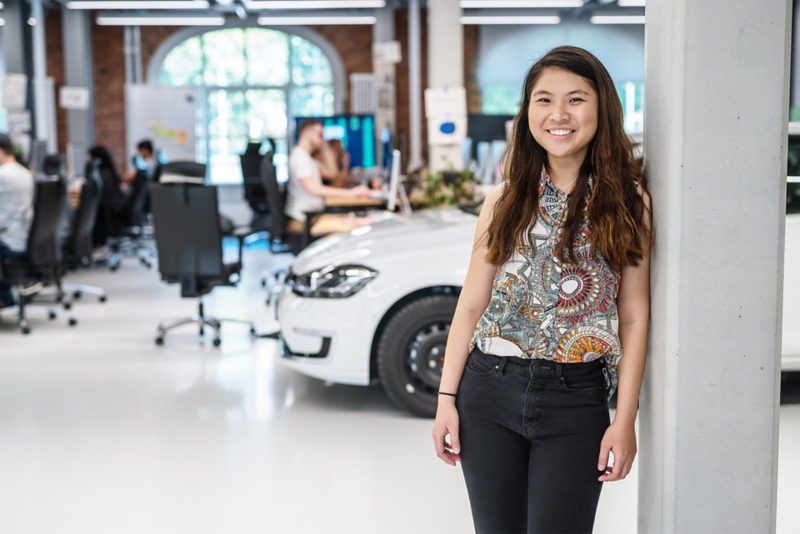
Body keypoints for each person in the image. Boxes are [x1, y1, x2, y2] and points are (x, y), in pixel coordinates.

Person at [431, 46, 653, 533]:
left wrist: (625, 419)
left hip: (576, 399)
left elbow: (635, 315)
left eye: (576, 99)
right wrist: (446, 398)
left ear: (602, 109)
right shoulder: (504, 200)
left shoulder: (628, 202)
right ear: (527, 110)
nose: (558, 114)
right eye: (543, 100)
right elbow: (471, 305)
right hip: (487, 389)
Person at [285, 119, 369, 235]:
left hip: (313, 216)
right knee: (357, 227)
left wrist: (324, 147)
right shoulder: (299, 157)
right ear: (306, 133)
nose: (322, 139)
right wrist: (351, 193)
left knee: (358, 222)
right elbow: (314, 190)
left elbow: (332, 174)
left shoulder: (308, 158)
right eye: (320, 135)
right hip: (304, 220)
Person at [0, 133, 35, 307]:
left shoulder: (4, 175)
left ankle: (5, 297)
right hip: (26, 239)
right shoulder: (24, 172)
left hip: (10, 242)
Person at [87, 145, 127, 246]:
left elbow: (99, 196)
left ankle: (97, 245)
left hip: (108, 210)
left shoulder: (102, 175)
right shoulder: (109, 171)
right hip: (114, 207)